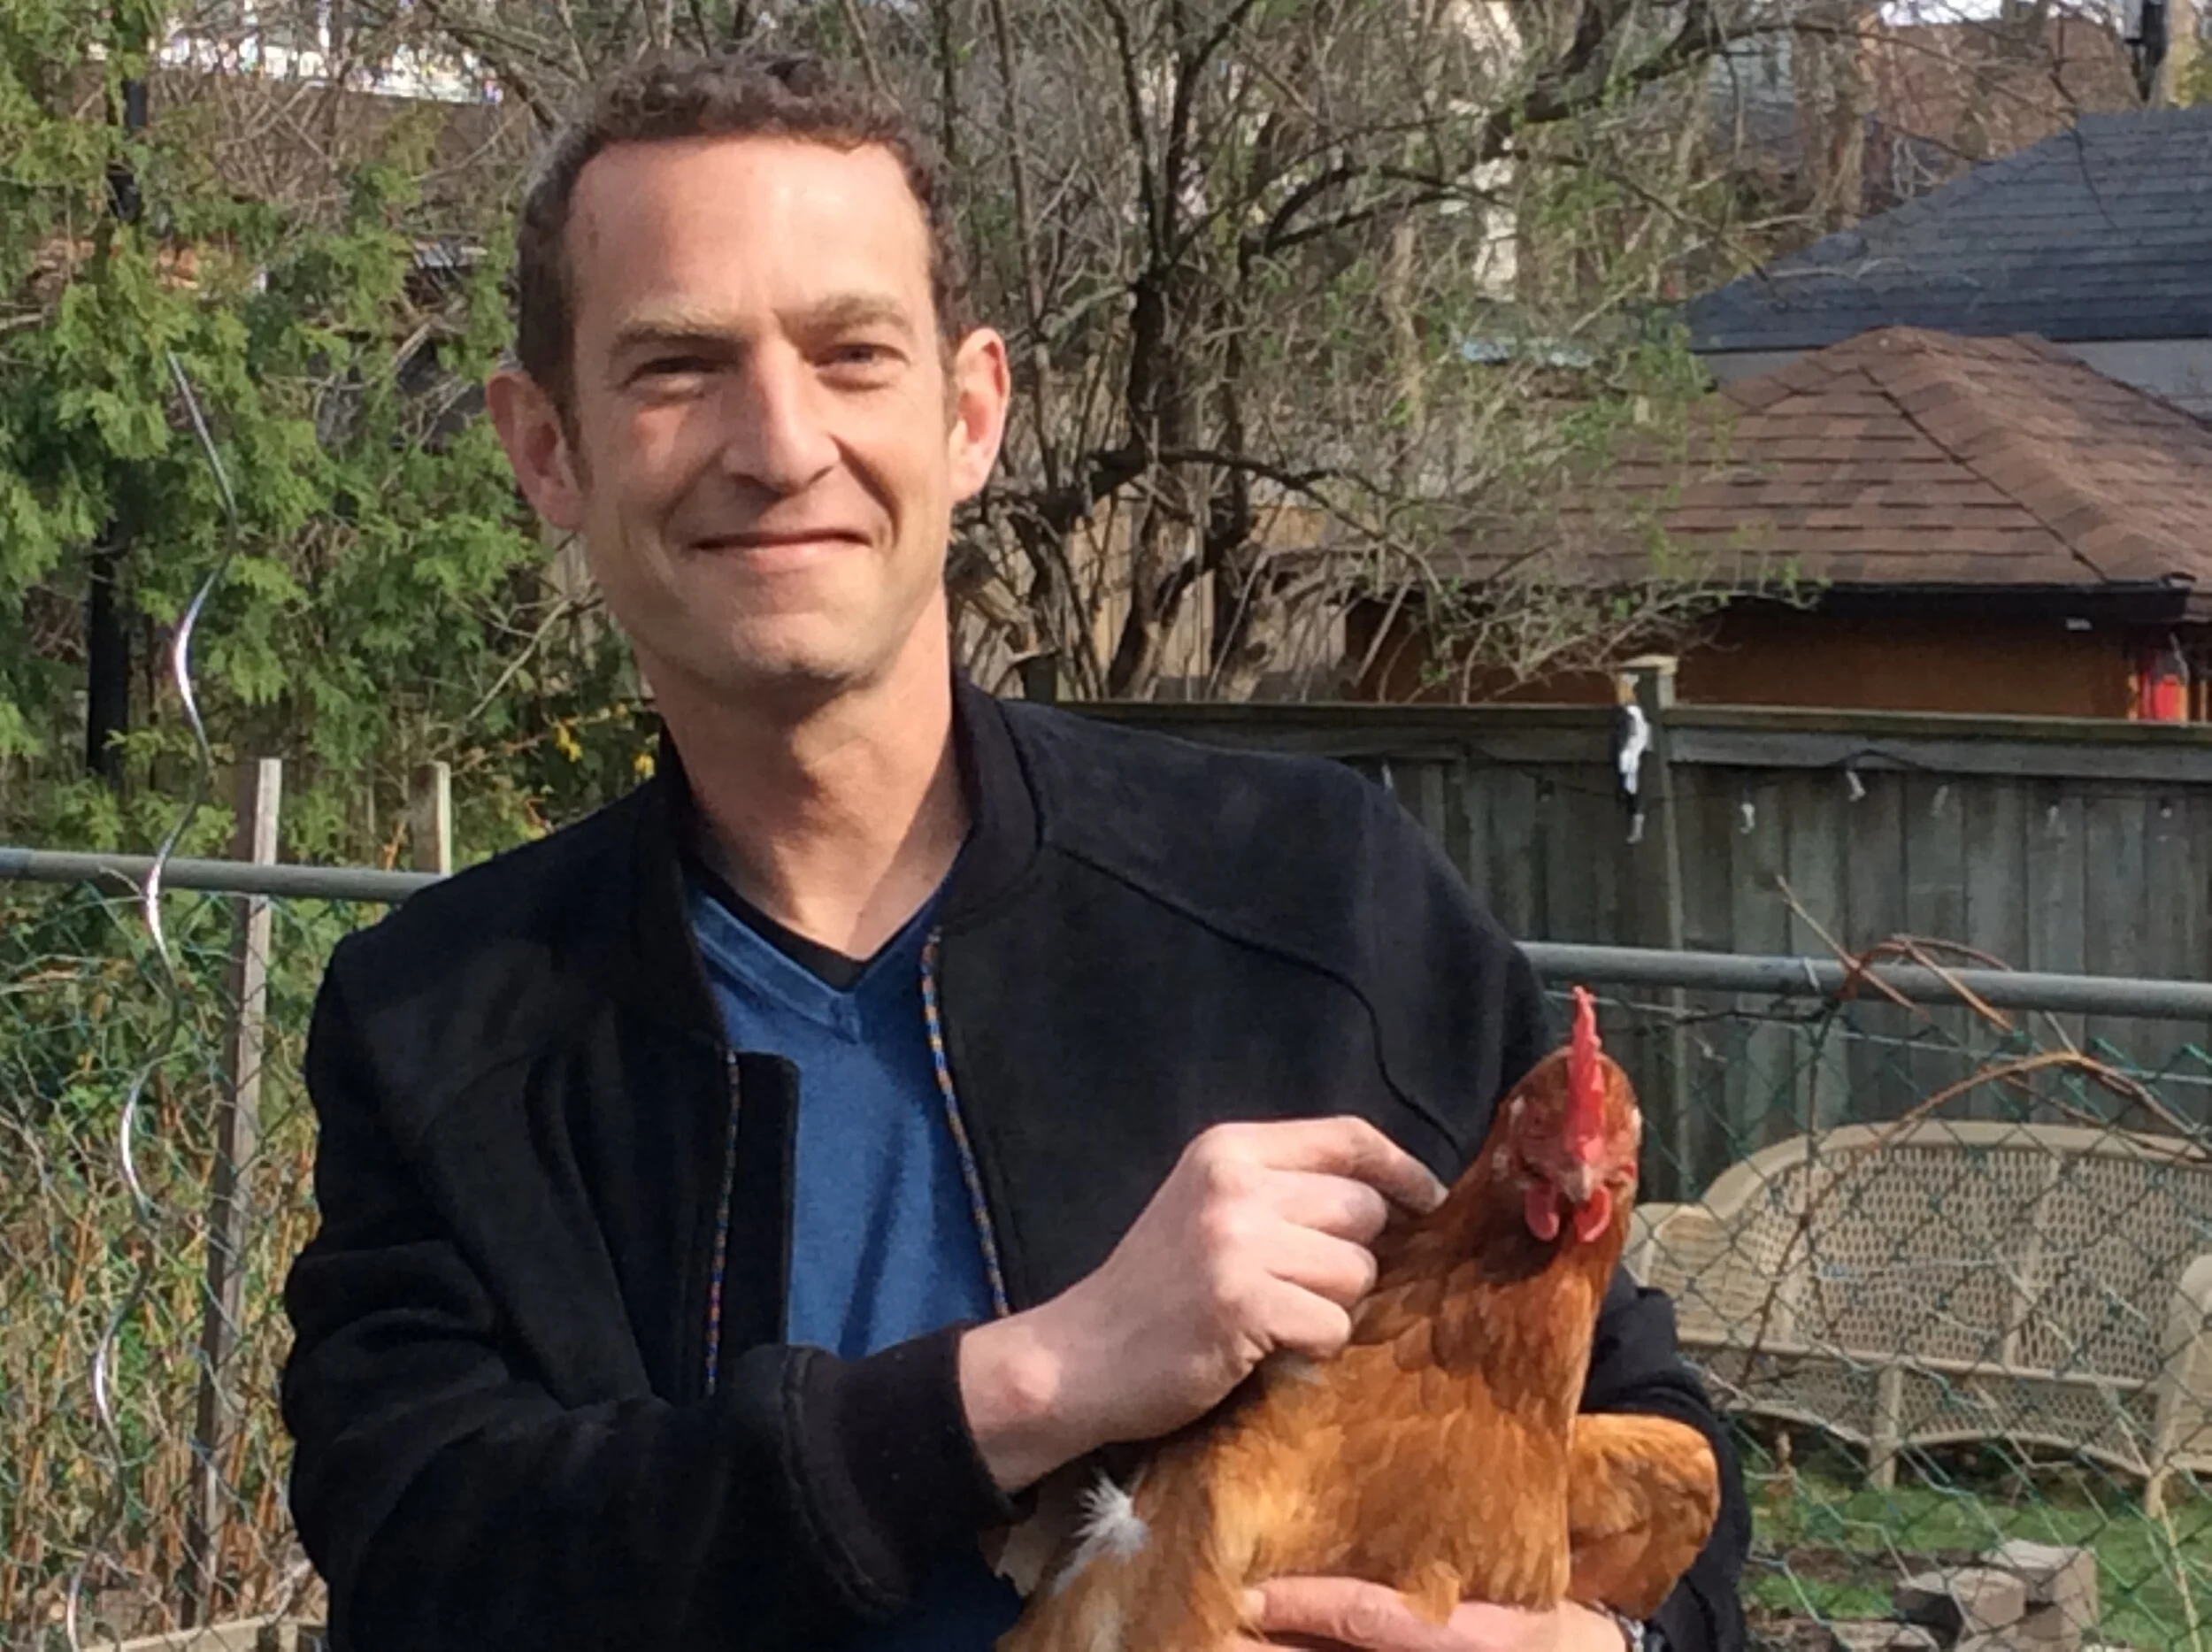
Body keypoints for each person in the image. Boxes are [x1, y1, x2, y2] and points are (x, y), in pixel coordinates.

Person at [278, 50, 1748, 1652]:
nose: (779, 443)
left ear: (970, 412)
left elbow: (1655, 1452)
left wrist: (1600, 1649)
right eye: (678, 366)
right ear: (547, 448)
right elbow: (426, 1554)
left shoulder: (1319, 897)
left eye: (852, 354)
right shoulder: (443, 1025)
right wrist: (1027, 1381)